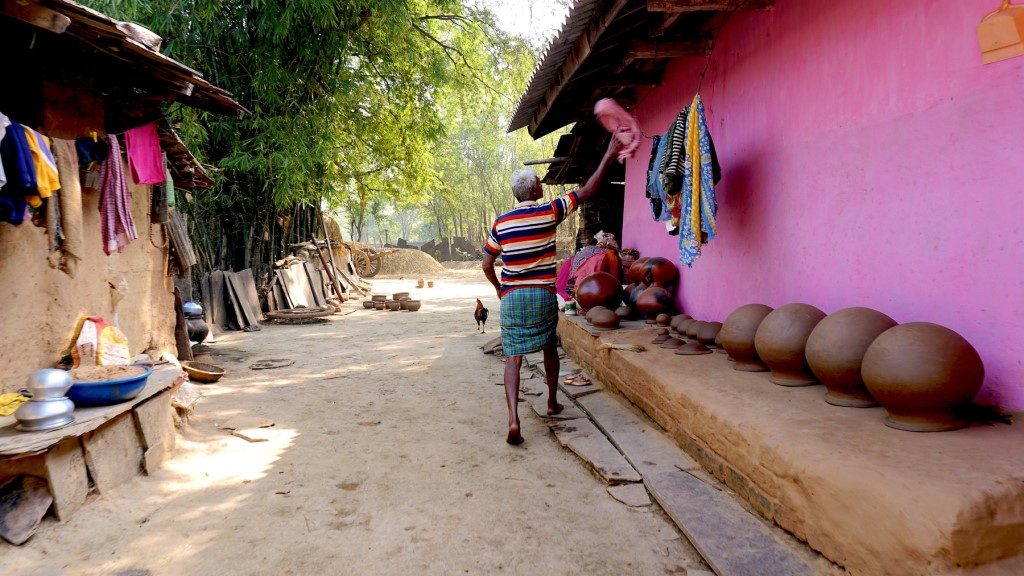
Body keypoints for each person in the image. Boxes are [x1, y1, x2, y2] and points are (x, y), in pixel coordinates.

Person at [481, 138, 621, 444]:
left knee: (513, 357)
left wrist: (499, 289)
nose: (543, 186)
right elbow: (588, 191)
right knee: (548, 347)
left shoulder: (501, 223)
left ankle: (514, 420)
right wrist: (608, 154)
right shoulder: (549, 212)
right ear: (532, 190)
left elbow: (487, 263)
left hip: (513, 297)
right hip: (542, 295)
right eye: (539, 184)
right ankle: (552, 402)